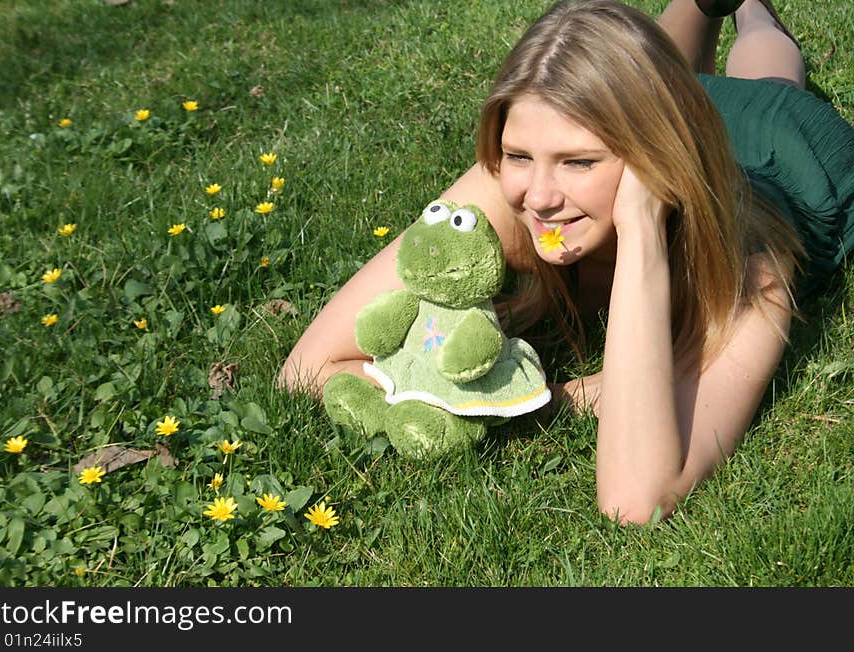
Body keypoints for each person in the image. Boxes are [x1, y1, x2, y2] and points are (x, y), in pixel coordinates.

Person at [279, 0, 854, 524]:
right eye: (518, 154)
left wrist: (643, 230)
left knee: (768, 80)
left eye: (579, 162)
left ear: (654, 163)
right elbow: (305, 369)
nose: (540, 198)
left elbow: (636, 499)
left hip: (782, 150)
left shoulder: (755, 267)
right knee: (661, 75)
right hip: (672, 116)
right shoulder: (513, 187)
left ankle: (753, 12)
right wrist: (542, 396)